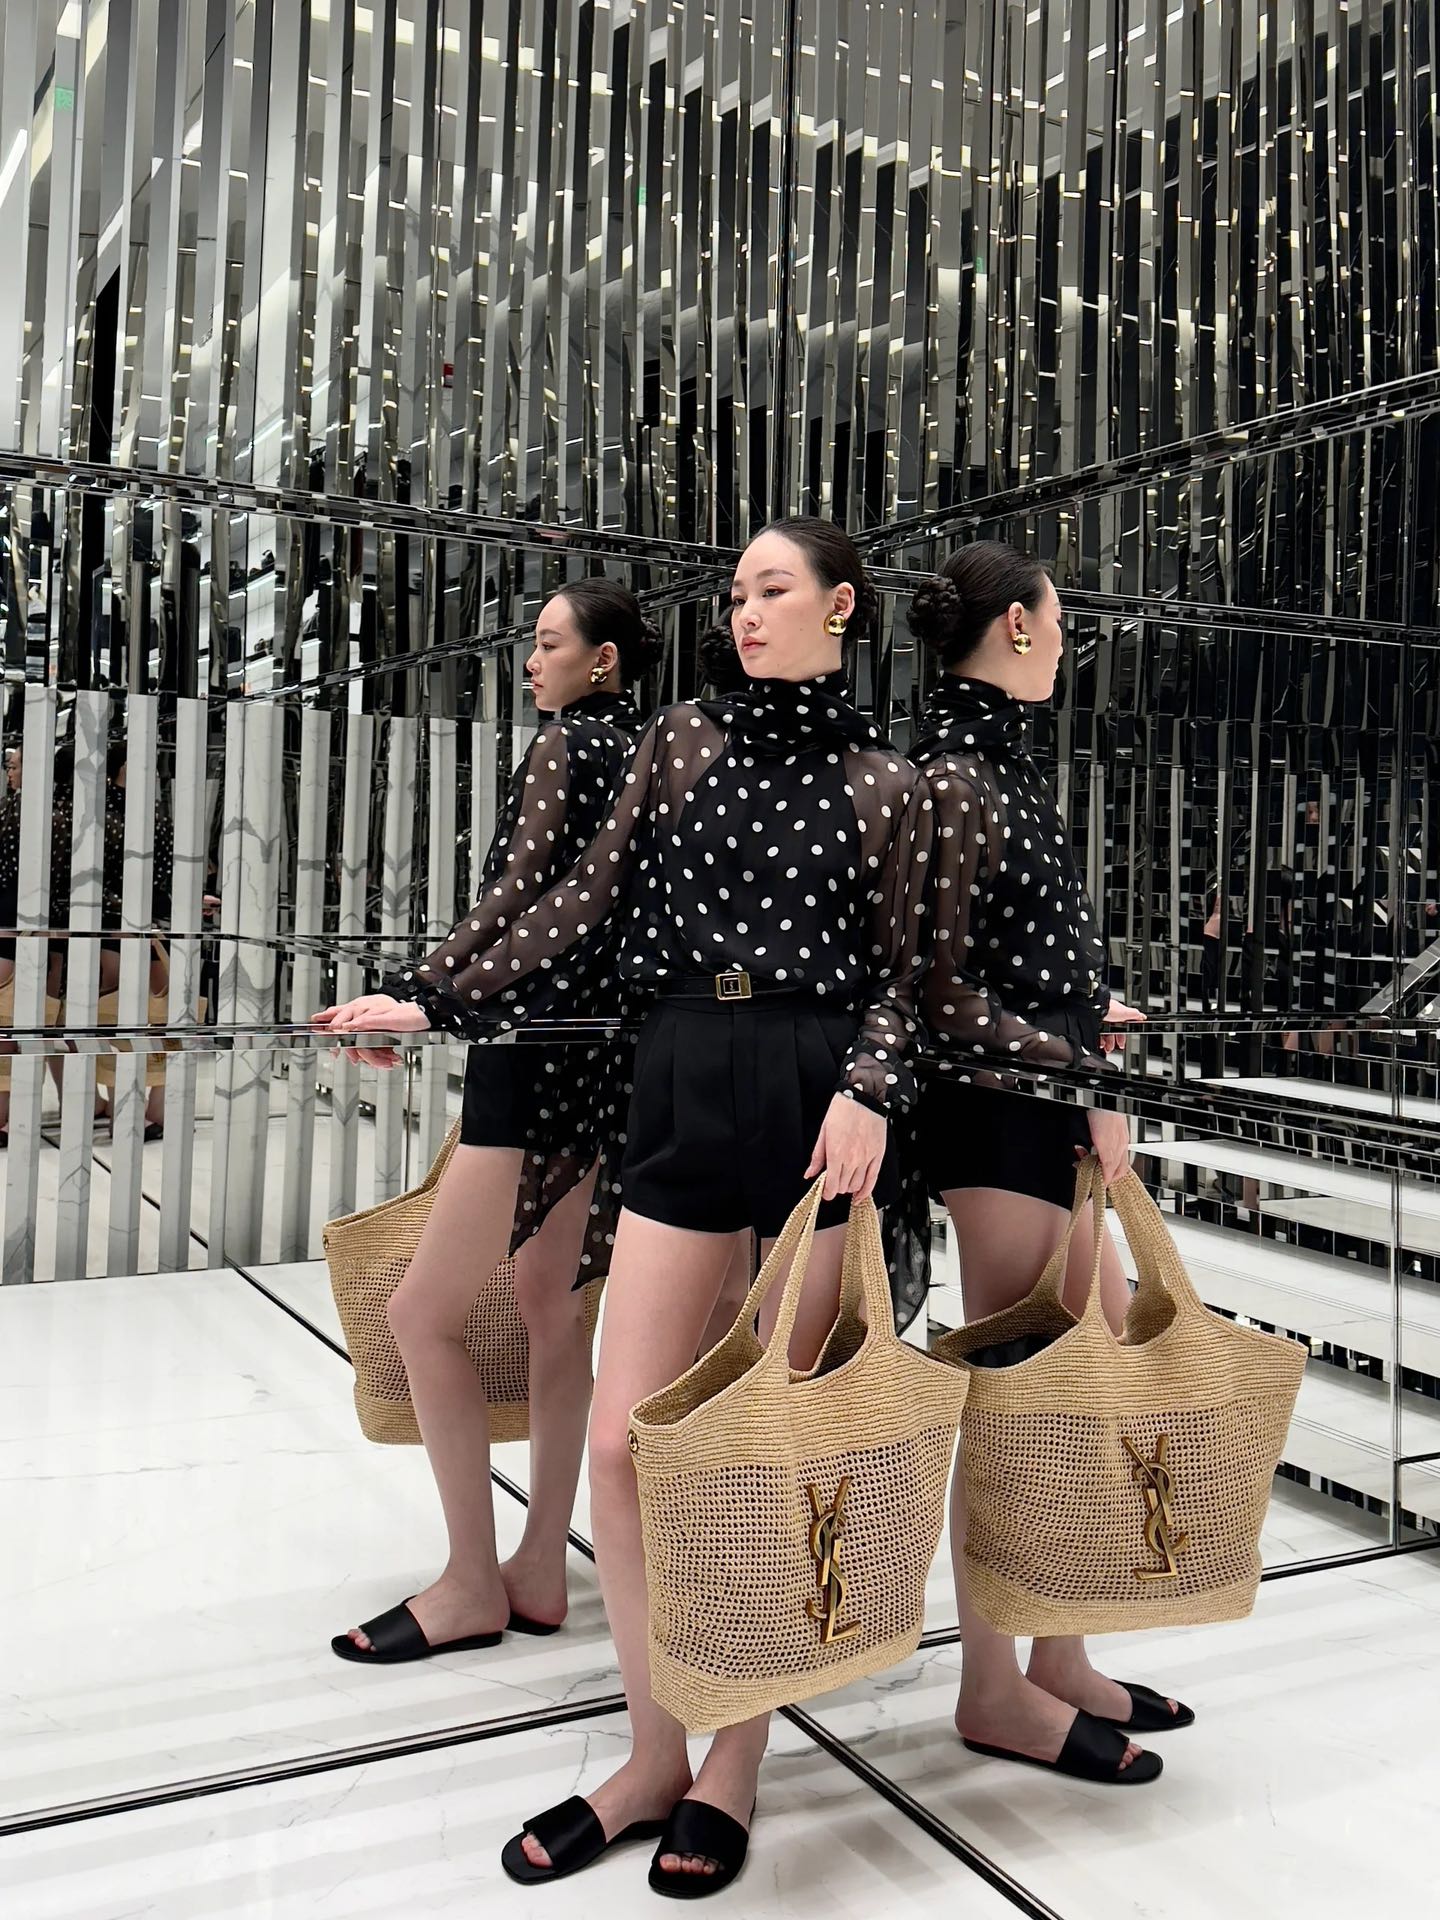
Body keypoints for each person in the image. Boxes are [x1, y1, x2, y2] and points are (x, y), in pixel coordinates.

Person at [316, 517, 932, 1897]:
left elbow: (907, 971)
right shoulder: (680, 740)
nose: (745, 611)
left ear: (842, 605)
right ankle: (655, 1754)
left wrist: (872, 1089)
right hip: (681, 1065)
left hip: (816, 1090)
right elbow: (580, 901)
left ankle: (734, 1764)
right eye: (737, 592)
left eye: (773, 589)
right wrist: (433, 996)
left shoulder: (885, 780)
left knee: (760, 1450)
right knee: (620, 1444)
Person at [325, 580, 657, 1666]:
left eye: (549, 643)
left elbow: (517, 903)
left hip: (530, 1058)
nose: (531, 660)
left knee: (423, 1314)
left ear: (603, 660)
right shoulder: (652, 754)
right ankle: (537, 1566)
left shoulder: (567, 747)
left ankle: (473, 1580)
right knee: (555, 1312)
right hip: (604, 1063)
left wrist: (423, 998)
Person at [906, 541, 1183, 1790]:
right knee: (1018, 1397)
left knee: (1078, 1376)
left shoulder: (993, 761)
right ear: (1016, 626)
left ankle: (1057, 1656)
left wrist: (1088, 1027)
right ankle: (990, 1684)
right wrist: (1079, 1065)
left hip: (1038, 1103)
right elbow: (942, 985)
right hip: (998, 1113)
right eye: (1058, 619)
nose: (1067, 640)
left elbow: (1020, 951)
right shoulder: (958, 772)